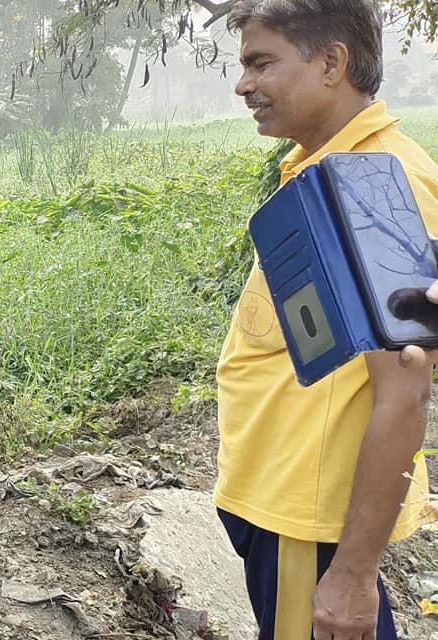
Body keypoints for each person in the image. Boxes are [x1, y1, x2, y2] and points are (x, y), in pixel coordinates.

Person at [217, 2, 437, 637]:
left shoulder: (377, 188)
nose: (243, 85)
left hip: (306, 518)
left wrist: (352, 573)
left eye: (262, 63)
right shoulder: (329, 169)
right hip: (283, 499)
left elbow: (404, 391)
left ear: (332, 63)